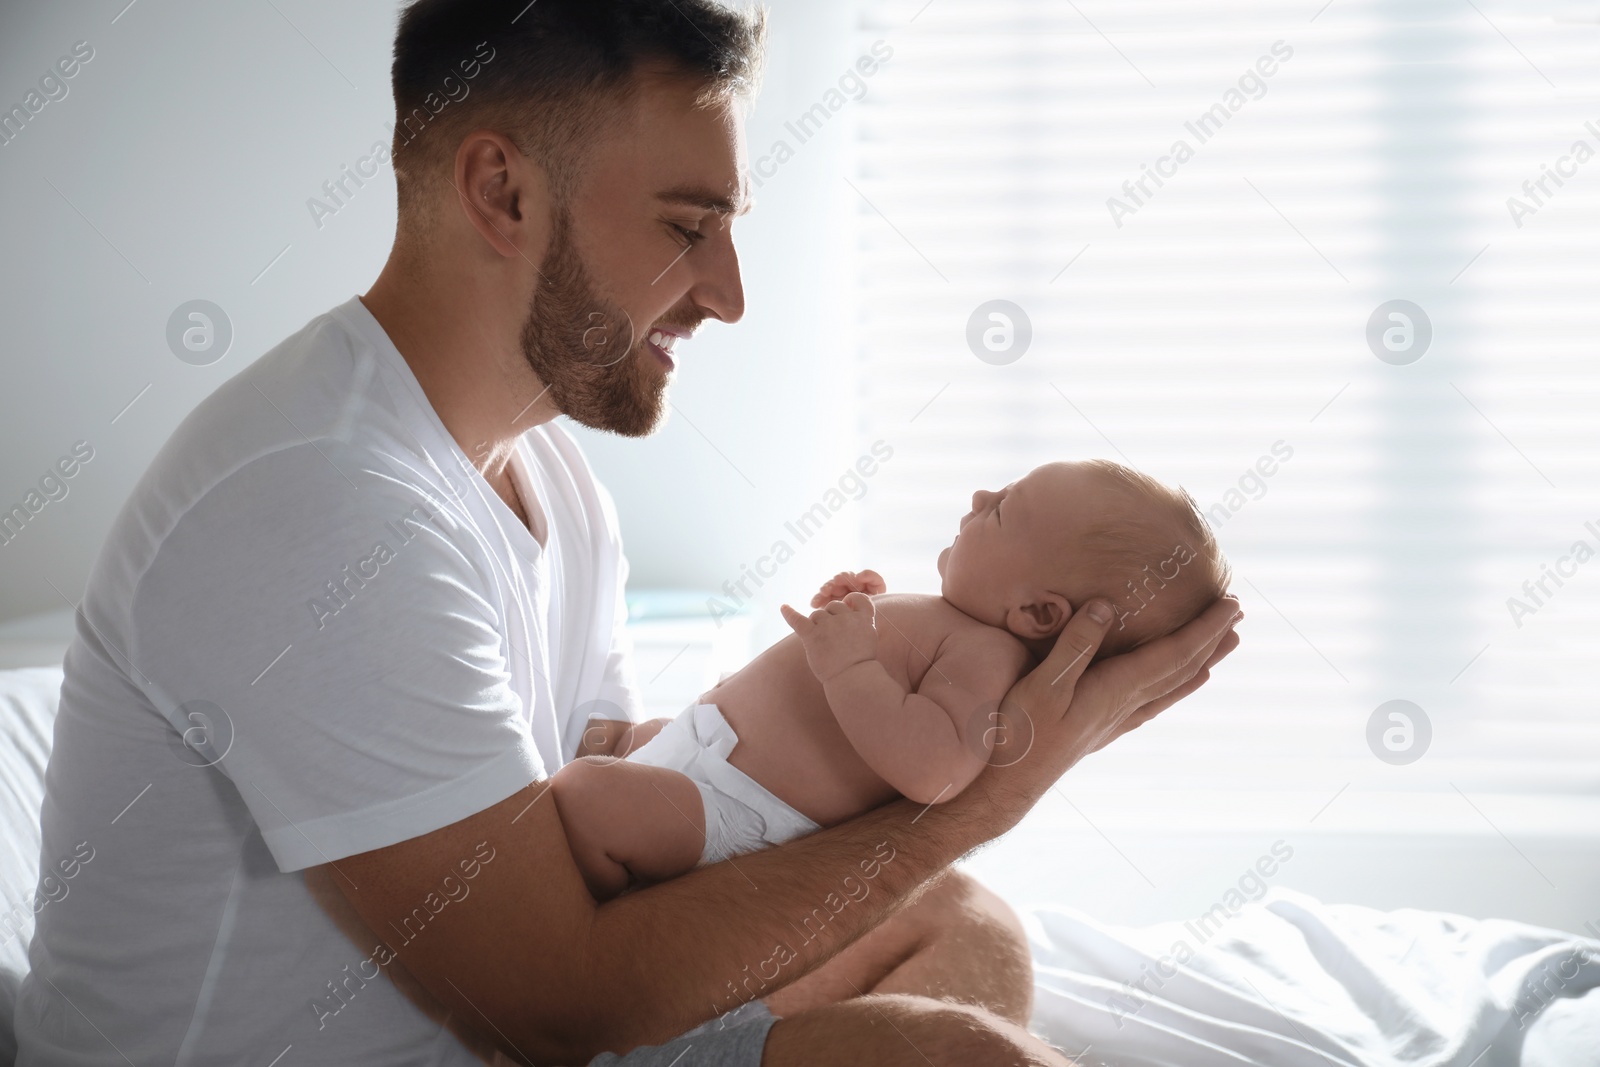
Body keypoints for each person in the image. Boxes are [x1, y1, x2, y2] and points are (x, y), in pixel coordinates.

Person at [14, 1, 1242, 1064]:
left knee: (962, 921)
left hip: (498, 1029)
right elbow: (560, 1003)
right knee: (951, 1051)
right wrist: (981, 797)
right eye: (683, 226)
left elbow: (588, 790)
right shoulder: (319, 504)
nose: (728, 292)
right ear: (502, 193)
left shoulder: (549, 472)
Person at [552, 460, 1231, 901]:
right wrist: (852, 618)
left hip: (737, 811)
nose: (979, 494)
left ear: (1038, 613)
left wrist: (849, 664)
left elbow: (933, 768)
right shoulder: (955, 627)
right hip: (706, 752)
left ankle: (606, 912)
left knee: (589, 795)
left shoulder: (988, 660)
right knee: (600, 740)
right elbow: (840, 703)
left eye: (1000, 509)